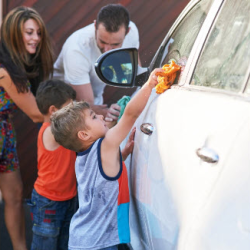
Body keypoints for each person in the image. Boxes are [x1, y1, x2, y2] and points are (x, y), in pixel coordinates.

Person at [50, 68, 164, 250]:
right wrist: (149, 85)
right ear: (84, 134)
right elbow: (130, 114)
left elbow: (100, 178)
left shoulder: (83, 156)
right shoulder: (105, 146)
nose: (101, 116)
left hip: (82, 240)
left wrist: (123, 154)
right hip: (98, 244)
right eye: (94, 117)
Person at [0, 6, 53, 250]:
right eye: (29, 33)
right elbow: (35, 113)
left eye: (38, 33)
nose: (36, 38)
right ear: (13, 34)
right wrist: (80, 117)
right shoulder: (4, 70)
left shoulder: (18, 66)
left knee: (14, 194)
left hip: (4, 134)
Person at [53, 4, 140, 122]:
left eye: (115, 44)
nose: (107, 50)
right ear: (95, 26)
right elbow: (87, 106)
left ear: (128, 31)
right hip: (63, 110)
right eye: (102, 41)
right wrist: (112, 113)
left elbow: (137, 72)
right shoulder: (77, 49)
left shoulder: (132, 31)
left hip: (95, 98)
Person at [27, 79, 77, 250]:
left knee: (64, 242)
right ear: (54, 111)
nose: (73, 112)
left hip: (67, 197)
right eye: (70, 108)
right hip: (48, 201)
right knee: (45, 243)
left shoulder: (60, 127)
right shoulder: (51, 130)